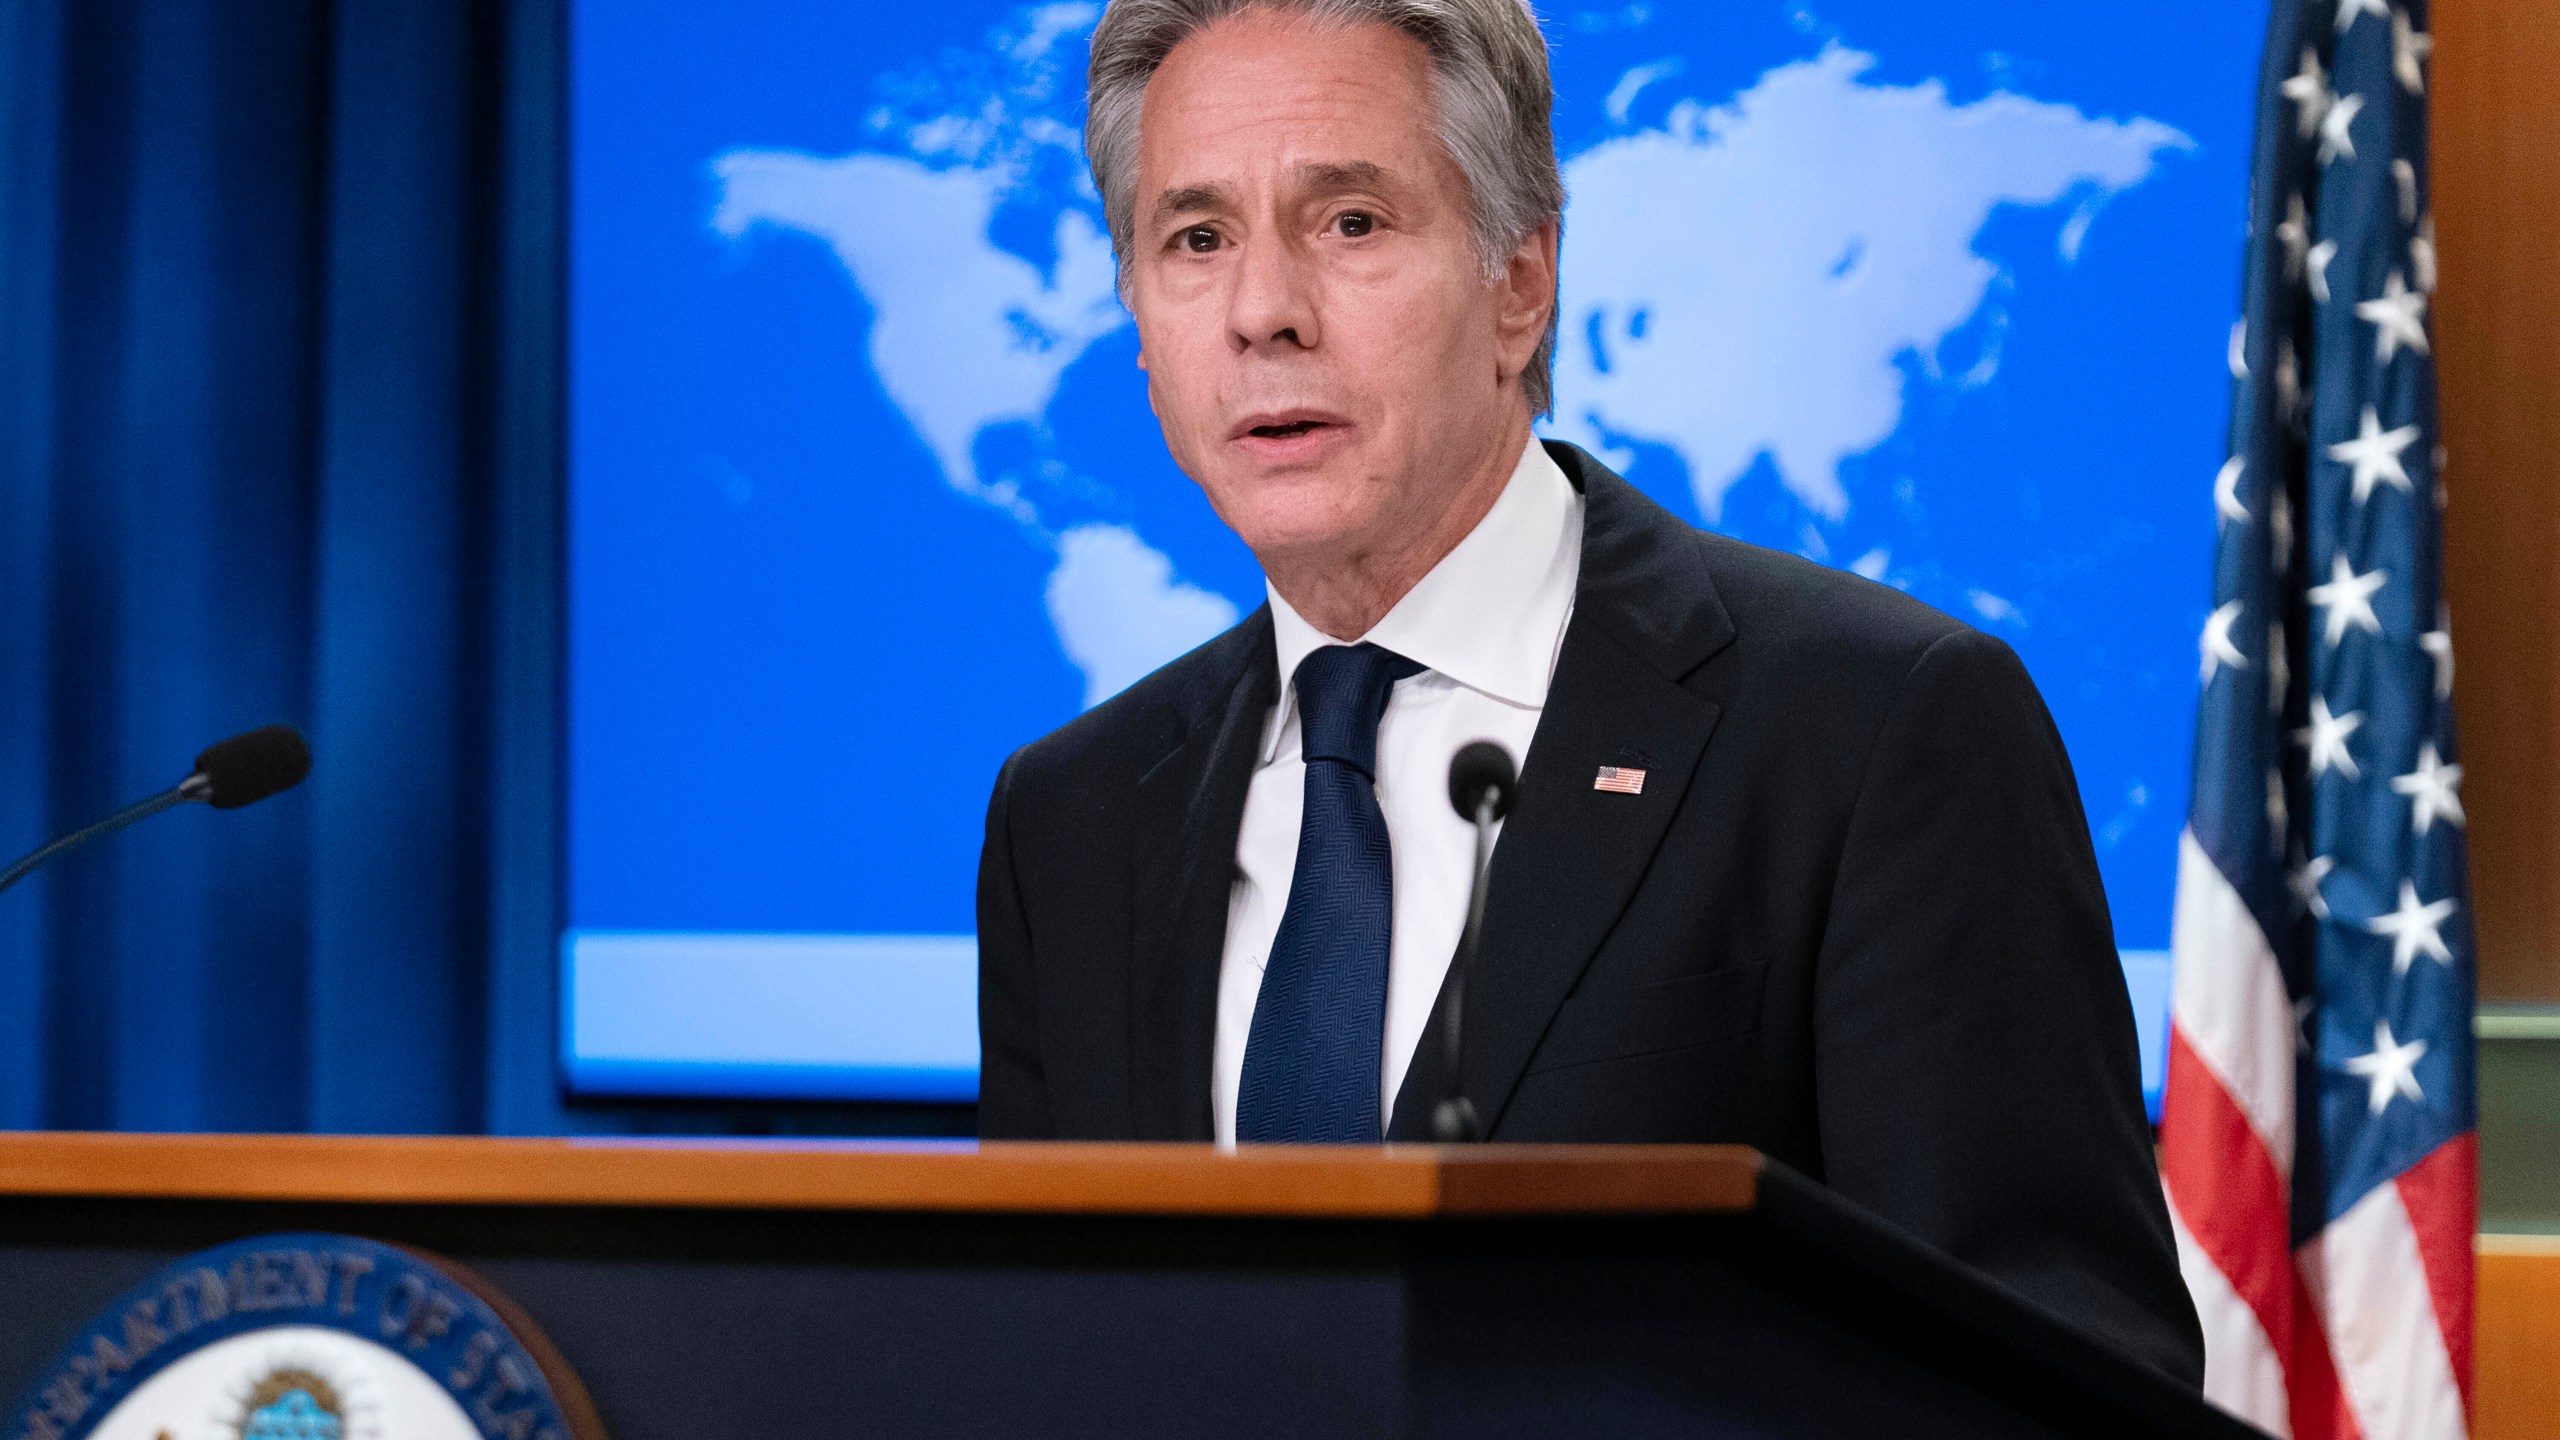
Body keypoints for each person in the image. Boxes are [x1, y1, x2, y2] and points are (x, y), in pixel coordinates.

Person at [974, 0, 2203, 1383]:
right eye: (1195, 239)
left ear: (1521, 282)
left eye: (1351, 224)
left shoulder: (1877, 727)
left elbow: (2065, 1376)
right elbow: (1048, 1366)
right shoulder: (1071, 819)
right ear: (1138, 319)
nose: (1264, 312)